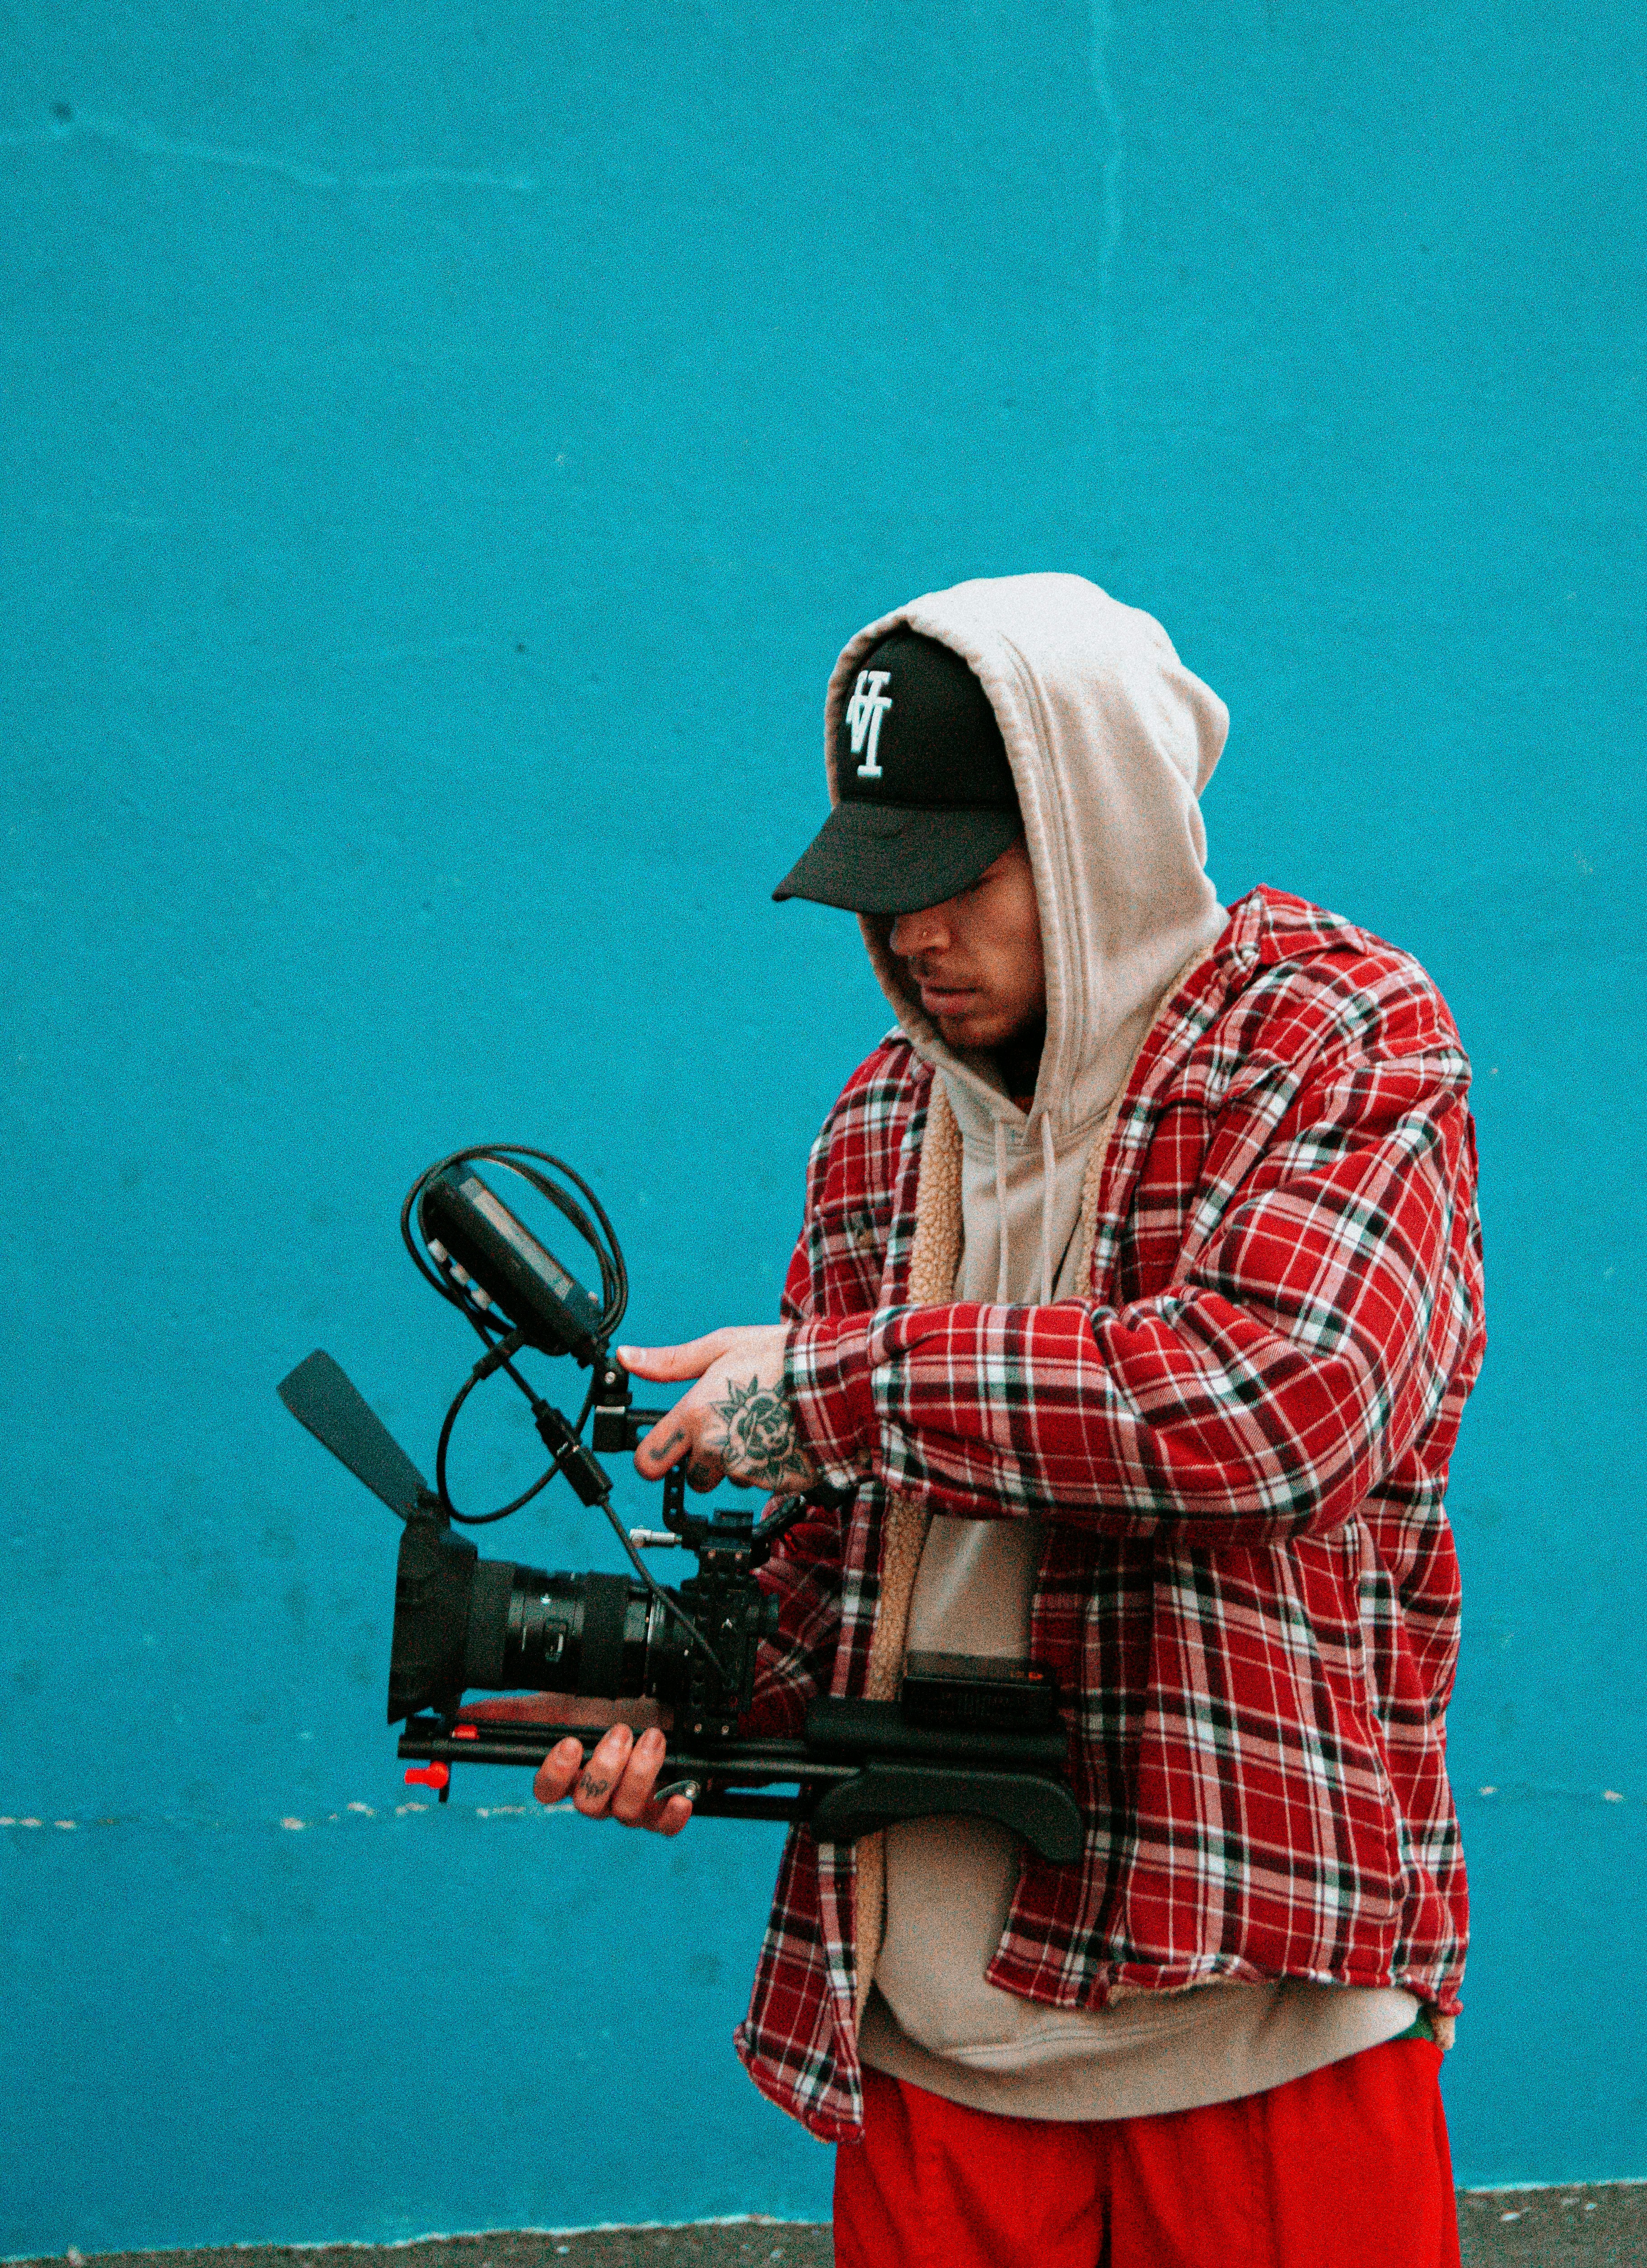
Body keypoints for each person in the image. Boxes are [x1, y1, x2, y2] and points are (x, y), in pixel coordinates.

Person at [515, 575, 1484, 2266]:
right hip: (928, 2041)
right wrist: (678, 1697)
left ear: (1094, 824)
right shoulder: (884, 1123)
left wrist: (828, 1387)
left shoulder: (1334, 1038)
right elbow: (850, 1566)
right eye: (875, 893)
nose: (908, 939)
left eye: (958, 876)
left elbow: (1278, 1410)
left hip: (1255, 2019)